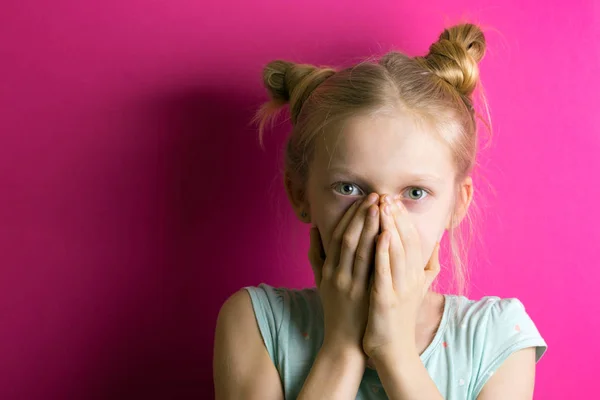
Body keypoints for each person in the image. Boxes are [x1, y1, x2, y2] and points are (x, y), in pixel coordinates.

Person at [213, 23, 547, 399]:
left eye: (415, 192)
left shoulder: (498, 336)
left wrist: (396, 353)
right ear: (301, 194)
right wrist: (341, 348)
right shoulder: (254, 322)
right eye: (350, 188)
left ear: (457, 203)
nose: (382, 221)